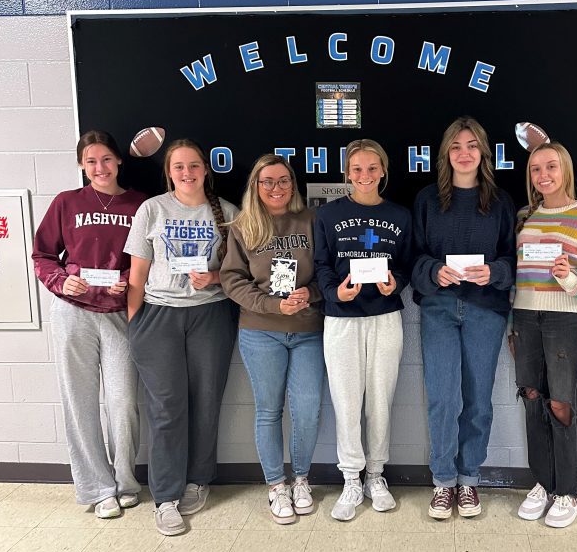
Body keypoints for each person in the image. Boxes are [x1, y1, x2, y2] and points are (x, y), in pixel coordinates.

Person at [125, 139, 238, 537]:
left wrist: (215, 277)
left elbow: (240, 272)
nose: (187, 173)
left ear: (206, 169)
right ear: (169, 172)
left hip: (211, 315)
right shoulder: (152, 209)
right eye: (178, 167)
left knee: (206, 401)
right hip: (159, 315)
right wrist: (136, 322)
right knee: (166, 407)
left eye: (193, 165)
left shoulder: (228, 213)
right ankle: (166, 496)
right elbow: (137, 274)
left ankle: (197, 480)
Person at [32, 130, 146, 519]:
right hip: (73, 312)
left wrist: (127, 280)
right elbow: (42, 254)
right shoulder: (67, 202)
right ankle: (97, 488)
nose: (100, 168)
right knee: (79, 401)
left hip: (118, 313)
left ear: (119, 160)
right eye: (91, 161)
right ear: (82, 165)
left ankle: (126, 481)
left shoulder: (139, 204)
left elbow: (148, 258)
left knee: (123, 401)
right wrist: (60, 280)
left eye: (107, 159)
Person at [511, 141, 577, 528]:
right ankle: (543, 483)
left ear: (565, 170)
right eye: (536, 169)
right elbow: (517, 273)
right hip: (525, 318)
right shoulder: (524, 217)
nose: (543, 175)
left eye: (551, 167)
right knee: (532, 398)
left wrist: (571, 280)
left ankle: (570, 490)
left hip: (565, 319)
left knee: (562, 404)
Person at [411, 117, 515, 520]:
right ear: (445, 154)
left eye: (472, 146)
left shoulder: (500, 202)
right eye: (456, 146)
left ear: (483, 152)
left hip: (485, 310)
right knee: (442, 397)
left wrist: (496, 272)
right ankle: (443, 481)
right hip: (439, 308)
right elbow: (413, 256)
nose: (464, 153)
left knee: (477, 400)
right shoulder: (427, 200)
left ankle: (468, 478)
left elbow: (512, 257)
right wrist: (433, 270)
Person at [220, 154, 324, 524]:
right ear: (256, 186)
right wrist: (272, 305)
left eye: (283, 181)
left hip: (308, 329)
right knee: (268, 409)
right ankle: (276, 486)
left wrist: (310, 294)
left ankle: (301, 479)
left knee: (308, 407)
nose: (276, 188)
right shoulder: (243, 226)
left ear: (293, 185)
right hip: (260, 330)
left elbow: (328, 270)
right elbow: (232, 279)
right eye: (267, 181)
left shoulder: (312, 220)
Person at [314, 139, 412, 521]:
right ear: (347, 173)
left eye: (372, 168)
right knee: (346, 402)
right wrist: (334, 293)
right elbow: (322, 265)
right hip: (341, 319)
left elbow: (405, 264)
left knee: (380, 402)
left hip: (384, 317)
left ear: (383, 171)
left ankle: (376, 475)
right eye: (357, 169)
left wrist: (396, 284)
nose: (365, 175)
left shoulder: (400, 215)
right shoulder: (327, 215)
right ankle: (351, 478)